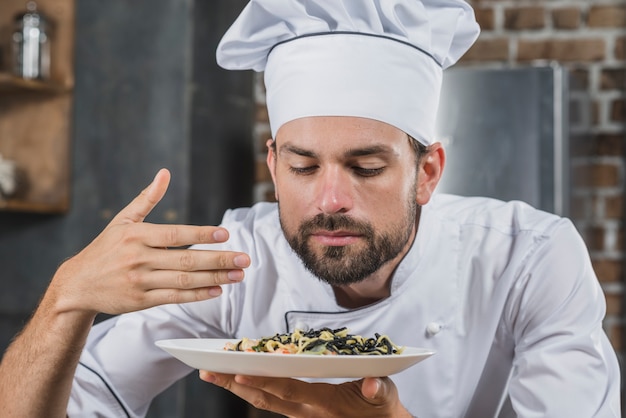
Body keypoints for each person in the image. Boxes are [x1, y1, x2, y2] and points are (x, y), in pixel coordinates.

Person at [0, 0, 620, 417]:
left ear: (426, 172)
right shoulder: (236, 262)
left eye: (366, 167)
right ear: (273, 166)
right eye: (302, 166)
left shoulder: (530, 259)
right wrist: (66, 298)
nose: (329, 202)